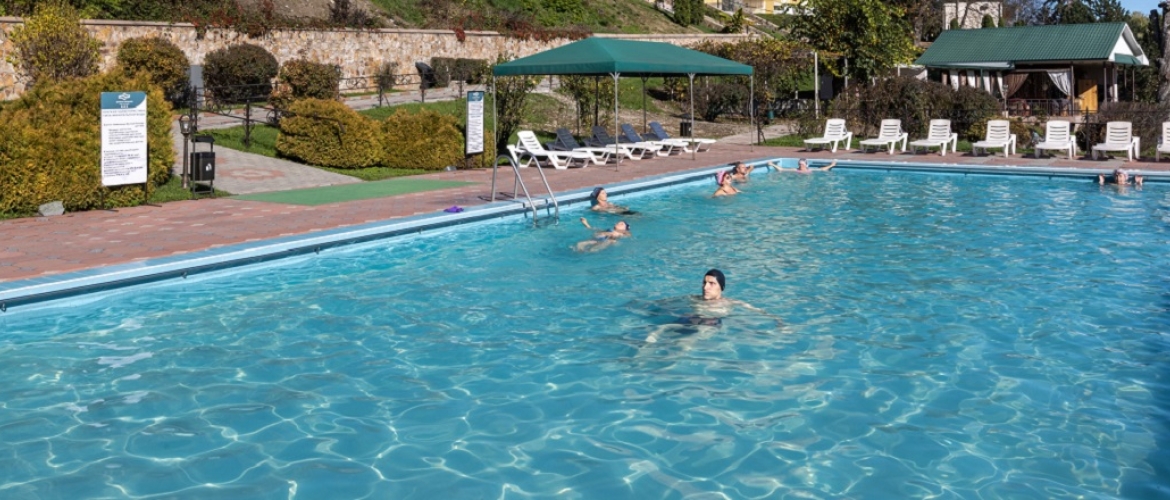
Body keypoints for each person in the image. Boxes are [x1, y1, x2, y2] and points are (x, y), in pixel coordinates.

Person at [644, 269, 777, 343]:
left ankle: (669, 363)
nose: (705, 287)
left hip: (709, 324)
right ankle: (644, 352)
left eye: (711, 284)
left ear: (721, 287)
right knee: (659, 329)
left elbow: (761, 312)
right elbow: (666, 302)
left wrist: (779, 323)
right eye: (704, 283)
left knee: (687, 342)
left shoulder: (731, 302)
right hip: (690, 319)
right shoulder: (694, 298)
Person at [768, 159, 837, 173]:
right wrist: (772, 164)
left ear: (806, 165)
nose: (801, 166)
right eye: (800, 164)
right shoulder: (796, 170)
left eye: (802, 165)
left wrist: (831, 165)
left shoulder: (810, 170)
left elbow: (822, 169)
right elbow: (782, 169)